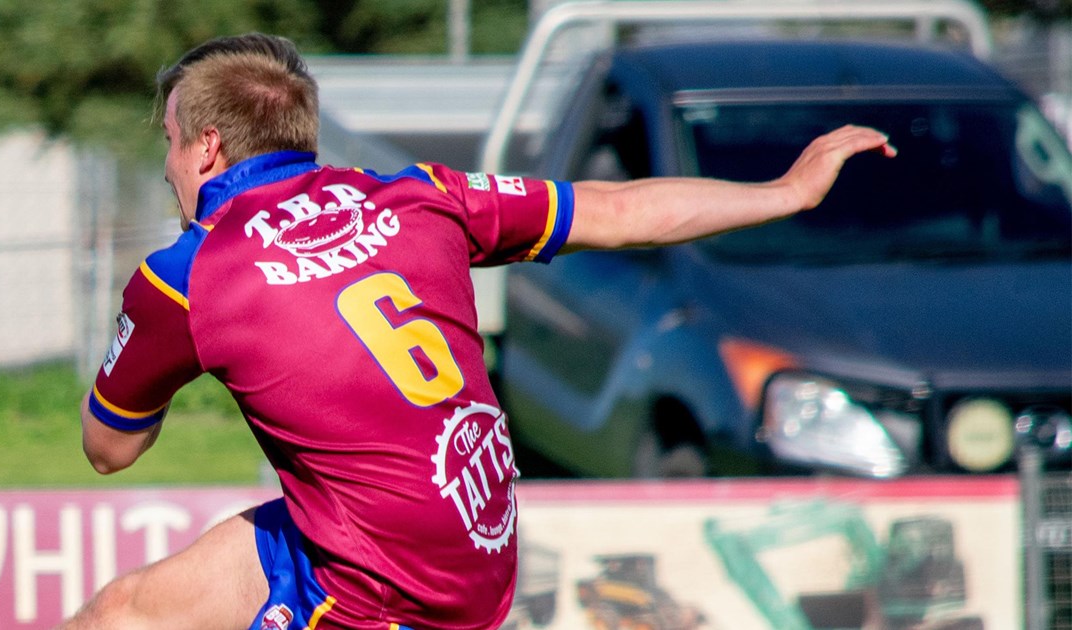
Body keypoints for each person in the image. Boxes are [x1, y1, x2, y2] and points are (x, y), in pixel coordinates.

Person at [61, 33, 895, 630]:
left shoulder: (188, 276)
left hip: (389, 590)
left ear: (207, 148)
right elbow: (614, 211)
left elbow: (110, 449)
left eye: (169, 142)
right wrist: (784, 191)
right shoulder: (419, 195)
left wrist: (163, 351)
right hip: (466, 545)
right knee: (122, 612)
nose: (167, 165)